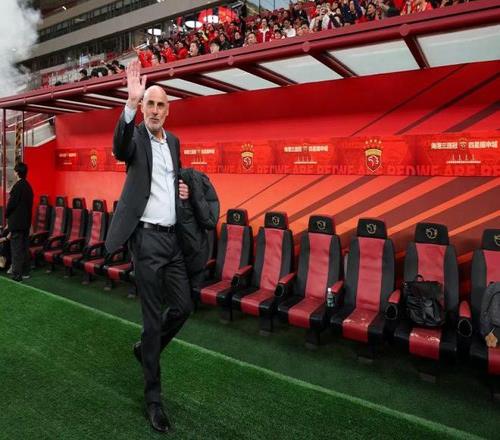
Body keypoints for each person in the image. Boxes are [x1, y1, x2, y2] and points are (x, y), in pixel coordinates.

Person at [104, 59, 192, 434]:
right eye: (149, 104)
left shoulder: (174, 142)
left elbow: (168, 183)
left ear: (168, 111)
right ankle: (154, 400)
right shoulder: (136, 138)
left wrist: (182, 191)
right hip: (146, 240)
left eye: (160, 105)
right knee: (152, 319)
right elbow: (119, 147)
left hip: (172, 241)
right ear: (143, 108)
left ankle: (145, 348)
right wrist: (128, 104)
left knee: (184, 307)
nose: (154, 110)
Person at [6, 162, 34, 282]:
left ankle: (17, 275)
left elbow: (11, 205)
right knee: (24, 248)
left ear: (17, 172)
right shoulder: (28, 187)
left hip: (16, 224)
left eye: (14, 170)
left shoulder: (17, 187)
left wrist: (6, 215)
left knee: (16, 249)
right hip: (26, 223)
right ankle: (26, 272)